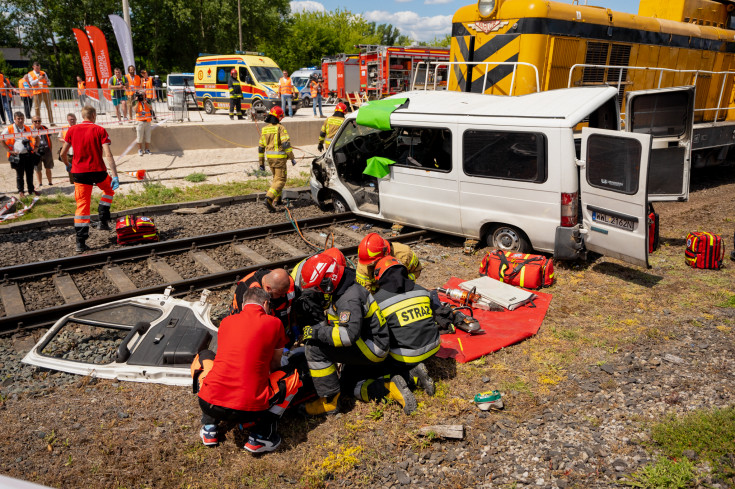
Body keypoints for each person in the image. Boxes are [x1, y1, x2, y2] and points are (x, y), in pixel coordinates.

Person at [298, 253, 415, 416]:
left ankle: (329, 401)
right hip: (373, 341)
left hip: (370, 347)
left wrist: (316, 332)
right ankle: (405, 380)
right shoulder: (346, 281)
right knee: (348, 383)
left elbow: (347, 335)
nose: (319, 291)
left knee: (314, 349)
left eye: (319, 287)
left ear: (329, 280)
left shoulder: (348, 300)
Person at [194, 287, 302, 453]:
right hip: (249, 410)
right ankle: (261, 436)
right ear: (266, 304)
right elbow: (275, 363)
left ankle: (209, 427)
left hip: (208, 403)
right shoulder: (274, 323)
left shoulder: (226, 321)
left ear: (244, 304)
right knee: (291, 375)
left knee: (205, 356)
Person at [370, 256, 440, 396]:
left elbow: (377, 333)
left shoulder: (378, 301)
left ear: (379, 277)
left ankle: (410, 376)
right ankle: (417, 369)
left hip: (408, 356)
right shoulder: (422, 290)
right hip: (433, 347)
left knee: (377, 357)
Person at [59, 105, 120, 253]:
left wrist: (68, 165)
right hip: (98, 171)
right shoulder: (100, 130)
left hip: (79, 173)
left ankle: (80, 243)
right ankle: (103, 220)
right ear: (93, 115)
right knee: (109, 190)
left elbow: (63, 153)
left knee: (82, 206)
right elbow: (108, 154)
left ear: (82, 115)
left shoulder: (71, 130)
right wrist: (115, 174)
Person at [230, 268, 298, 341]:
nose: (284, 296)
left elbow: (293, 306)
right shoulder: (248, 292)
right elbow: (250, 327)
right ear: (268, 288)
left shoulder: (285, 281)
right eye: (280, 294)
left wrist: (295, 328)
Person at [258, 105, 296, 212]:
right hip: (279, 159)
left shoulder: (264, 129)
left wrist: (261, 163)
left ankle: (277, 199)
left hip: (269, 159)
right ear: (279, 117)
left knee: (276, 178)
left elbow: (260, 148)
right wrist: (292, 158)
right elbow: (285, 145)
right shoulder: (281, 128)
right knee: (281, 180)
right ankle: (269, 198)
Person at [356, 232, 423, 292]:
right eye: (370, 264)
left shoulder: (404, 254)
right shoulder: (364, 264)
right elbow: (365, 290)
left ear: (386, 253)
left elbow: (417, 270)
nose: (371, 265)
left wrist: (404, 281)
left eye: (374, 263)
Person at [2, 112, 38, 199]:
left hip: (28, 154)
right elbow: (1, 139)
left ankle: (31, 190)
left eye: (22, 118)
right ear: (14, 119)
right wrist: (9, 150)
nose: (21, 120)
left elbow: (37, 137)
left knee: (30, 173)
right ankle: (21, 191)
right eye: (19, 119)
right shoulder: (9, 128)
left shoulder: (27, 128)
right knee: (20, 174)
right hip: (17, 156)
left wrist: (36, 147)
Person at [30, 116, 54, 187]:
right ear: (32, 122)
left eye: (39, 121)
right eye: (35, 121)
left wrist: (50, 149)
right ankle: (40, 183)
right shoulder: (29, 129)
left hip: (46, 151)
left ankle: (50, 182)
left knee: (48, 168)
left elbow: (49, 139)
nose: (37, 122)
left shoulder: (44, 128)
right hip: (36, 152)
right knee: (38, 169)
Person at [59, 113, 77, 184]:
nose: (72, 121)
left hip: (77, 152)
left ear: (76, 119)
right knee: (70, 168)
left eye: (73, 119)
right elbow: (59, 138)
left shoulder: (79, 127)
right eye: (70, 119)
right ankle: (72, 182)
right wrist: (66, 141)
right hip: (68, 152)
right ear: (67, 120)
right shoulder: (64, 128)